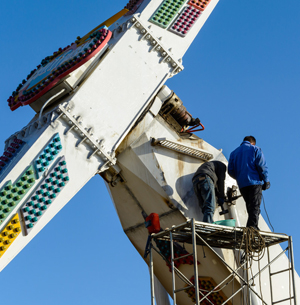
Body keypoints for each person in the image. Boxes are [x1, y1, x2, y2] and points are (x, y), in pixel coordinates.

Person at [228, 136, 270, 230]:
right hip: (254, 182)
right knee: (255, 206)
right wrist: (266, 181)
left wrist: (240, 177)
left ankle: (251, 225)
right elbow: (262, 166)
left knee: (249, 206)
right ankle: (252, 227)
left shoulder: (233, 153)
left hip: (242, 185)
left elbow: (230, 171)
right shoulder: (255, 149)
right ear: (253, 143)